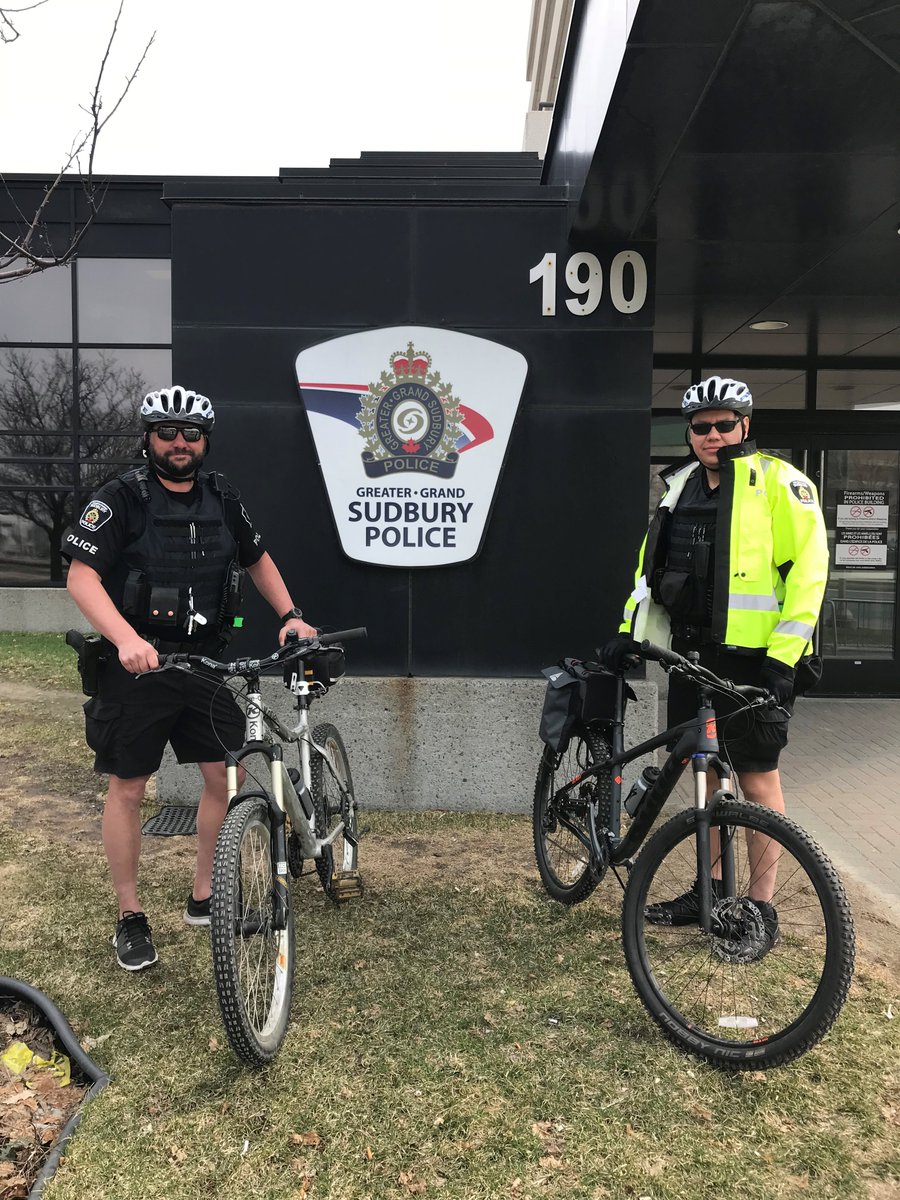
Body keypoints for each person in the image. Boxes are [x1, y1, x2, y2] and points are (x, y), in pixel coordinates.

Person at [64, 386, 316, 972]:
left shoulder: (222, 496)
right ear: (149, 437)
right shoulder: (118, 499)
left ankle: (204, 894)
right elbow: (82, 578)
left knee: (226, 777)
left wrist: (290, 615)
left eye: (192, 433)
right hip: (139, 668)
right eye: (168, 432)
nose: (180, 443)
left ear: (205, 441)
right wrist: (126, 640)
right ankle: (129, 915)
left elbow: (257, 559)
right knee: (128, 788)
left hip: (203, 663)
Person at [600, 375, 828, 935]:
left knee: (757, 780)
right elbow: (648, 573)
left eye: (725, 424)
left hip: (756, 662)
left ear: (745, 425)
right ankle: (710, 891)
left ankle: (758, 907)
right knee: (706, 778)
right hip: (692, 657)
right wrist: (631, 634)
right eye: (701, 427)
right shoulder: (678, 487)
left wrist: (783, 659)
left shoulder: (781, 483)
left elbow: (810, 574)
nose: (713, 435)